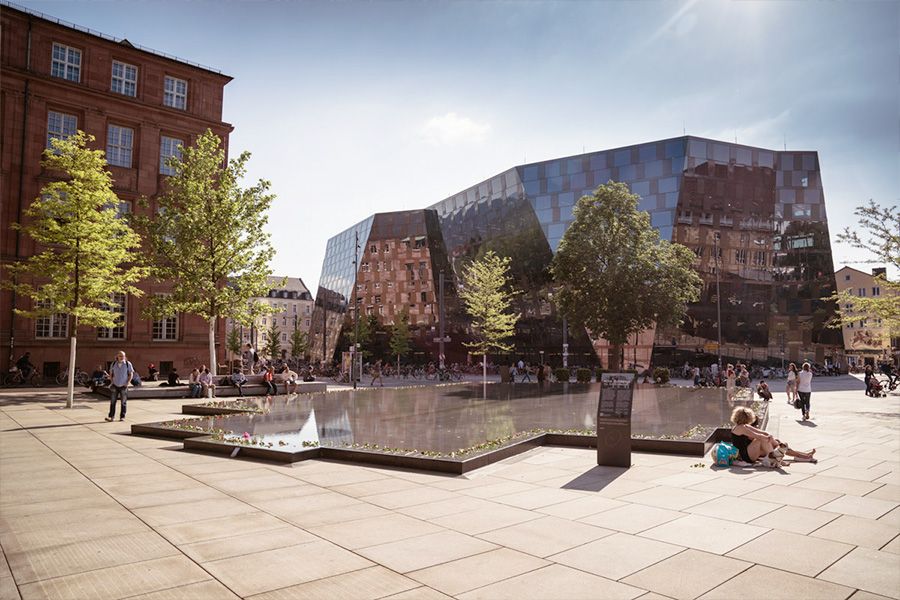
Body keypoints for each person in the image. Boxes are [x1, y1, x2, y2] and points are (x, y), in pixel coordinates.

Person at [730, 406, 816, 464]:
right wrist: (768, 438)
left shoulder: (745, 426)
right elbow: (758, 436)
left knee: (778, 443)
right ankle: (776, 460)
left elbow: (762, 433)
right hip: (746, 456)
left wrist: (771, 438)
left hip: (752, 452)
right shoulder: (740, 428)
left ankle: (803, 456)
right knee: (762, 439)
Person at [105, 351, 134, 422]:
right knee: (112, 401)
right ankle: (111, 417)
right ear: (117, 356)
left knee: (123, 402)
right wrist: (112, 382)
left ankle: (122, 417)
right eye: (120, 356)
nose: (121, 357)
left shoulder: (128, 364)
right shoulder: (113, 363)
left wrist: (127, 382)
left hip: (123, 385)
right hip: (115, 385)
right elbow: (111, 373)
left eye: (123, 356)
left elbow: (131, 374)